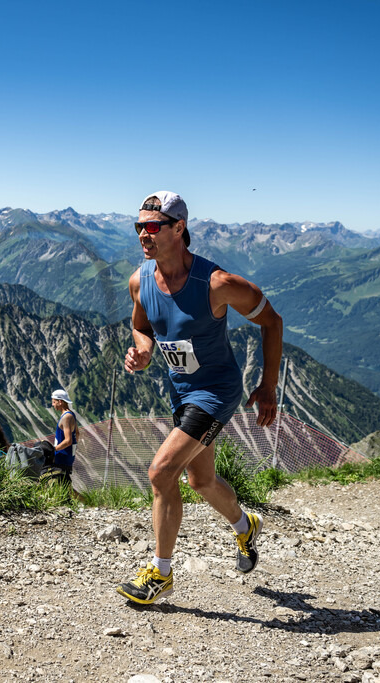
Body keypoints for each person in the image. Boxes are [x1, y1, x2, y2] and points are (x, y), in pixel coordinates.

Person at [115, 190, 283, 605]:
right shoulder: (140, 281)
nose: (143, 234)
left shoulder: (216, 283)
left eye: (152, 227)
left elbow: (272, 321)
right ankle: (245, 526)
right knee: (201, 480)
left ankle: (160, 573)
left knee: (161, 473)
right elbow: (142, 327)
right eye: (139, 227)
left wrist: (268, 386)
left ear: (179, 228)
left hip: (216, 392)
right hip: (181, 392)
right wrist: (143, 351)